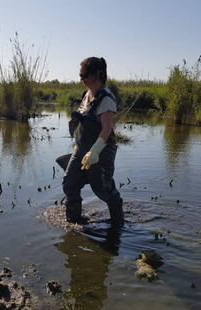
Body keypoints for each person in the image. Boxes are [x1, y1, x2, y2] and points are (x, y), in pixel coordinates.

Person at [62, 56, 124, 227]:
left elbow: (106, 129)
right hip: (81, 150)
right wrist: (77, 143)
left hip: (101, 152)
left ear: (97, 74)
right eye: (80, 75)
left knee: (103, 189)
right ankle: (74, 222)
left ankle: (118, 222)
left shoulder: (106, 99)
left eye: (84, 75)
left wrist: (95, 151)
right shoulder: (86, 95)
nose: (81, 79)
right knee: (69, 183)